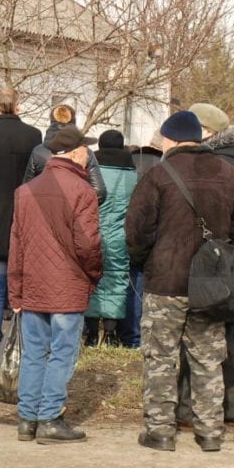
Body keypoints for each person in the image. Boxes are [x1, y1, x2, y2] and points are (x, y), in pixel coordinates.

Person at [126, 110, 234, 452]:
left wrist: (144, 263)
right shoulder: (230, 174)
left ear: (171, 139)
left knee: (160, 358)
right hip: (210, 287)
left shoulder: (158, 175)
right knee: (208, 359)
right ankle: (210, 431)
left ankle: (160, 431)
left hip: (165, 282)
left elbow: (136, 230)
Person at [9, 126, 103, 444]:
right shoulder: (82, 191)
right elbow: (88, 245)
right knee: (62, 352)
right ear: (76, 152)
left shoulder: (25, 192)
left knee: (34, 352)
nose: (89, 154)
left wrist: (16, 290)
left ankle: (27, 419)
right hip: (68, 285)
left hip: (34, 284)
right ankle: (50, 417)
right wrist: (93, 275)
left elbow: (17, 245)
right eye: (86, 149)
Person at [178, 102, 234, 424]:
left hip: (214, 263)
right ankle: (230, 404)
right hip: (231, 260)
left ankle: (205, 407)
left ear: (206, 132)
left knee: (209, 340)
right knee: (223, 340)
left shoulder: (219, 167)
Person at [0, 88, 42, 347]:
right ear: (18, 105)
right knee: (18, 279)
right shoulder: (34, 135)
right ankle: (20, 336)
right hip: (23, 212)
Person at [85, 130, 137, 347]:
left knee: (91, 280)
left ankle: (91, 334)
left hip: (91, 235)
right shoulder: (133, 175)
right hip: (119, 237)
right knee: (117, 280)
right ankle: (111, 333)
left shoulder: (91, 173)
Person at [121, 132, 165, 348]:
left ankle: (132, 335)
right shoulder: (165, 166)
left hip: (132, 227)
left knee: (133, 283)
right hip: (160, 232)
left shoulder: (131, 160)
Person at [23, 104, 106, 205]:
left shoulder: (38, 151)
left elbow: (27, 187)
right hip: (74, 213)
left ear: (51, 121)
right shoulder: (84, 152)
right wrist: (80, 207)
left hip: (43, 211)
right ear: (74, 121)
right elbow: (99, 190)